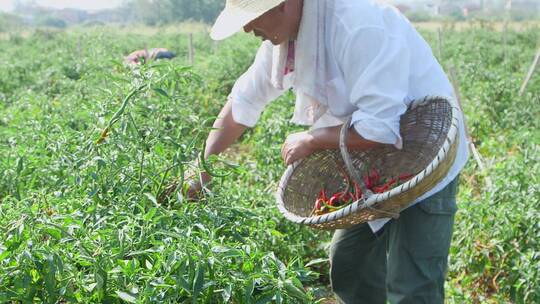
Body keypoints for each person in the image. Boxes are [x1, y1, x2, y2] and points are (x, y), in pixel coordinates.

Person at [175, 0, 469, 302]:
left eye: (252, 17)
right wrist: (203, 163)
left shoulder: (356, 24)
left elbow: (380, 128)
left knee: (412, 286)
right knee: (350, 265)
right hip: (370, 164)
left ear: (286, 5)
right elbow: (244, 100)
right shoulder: (288, 40)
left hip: (424, 157)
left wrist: (313, 139)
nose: (248, 27)